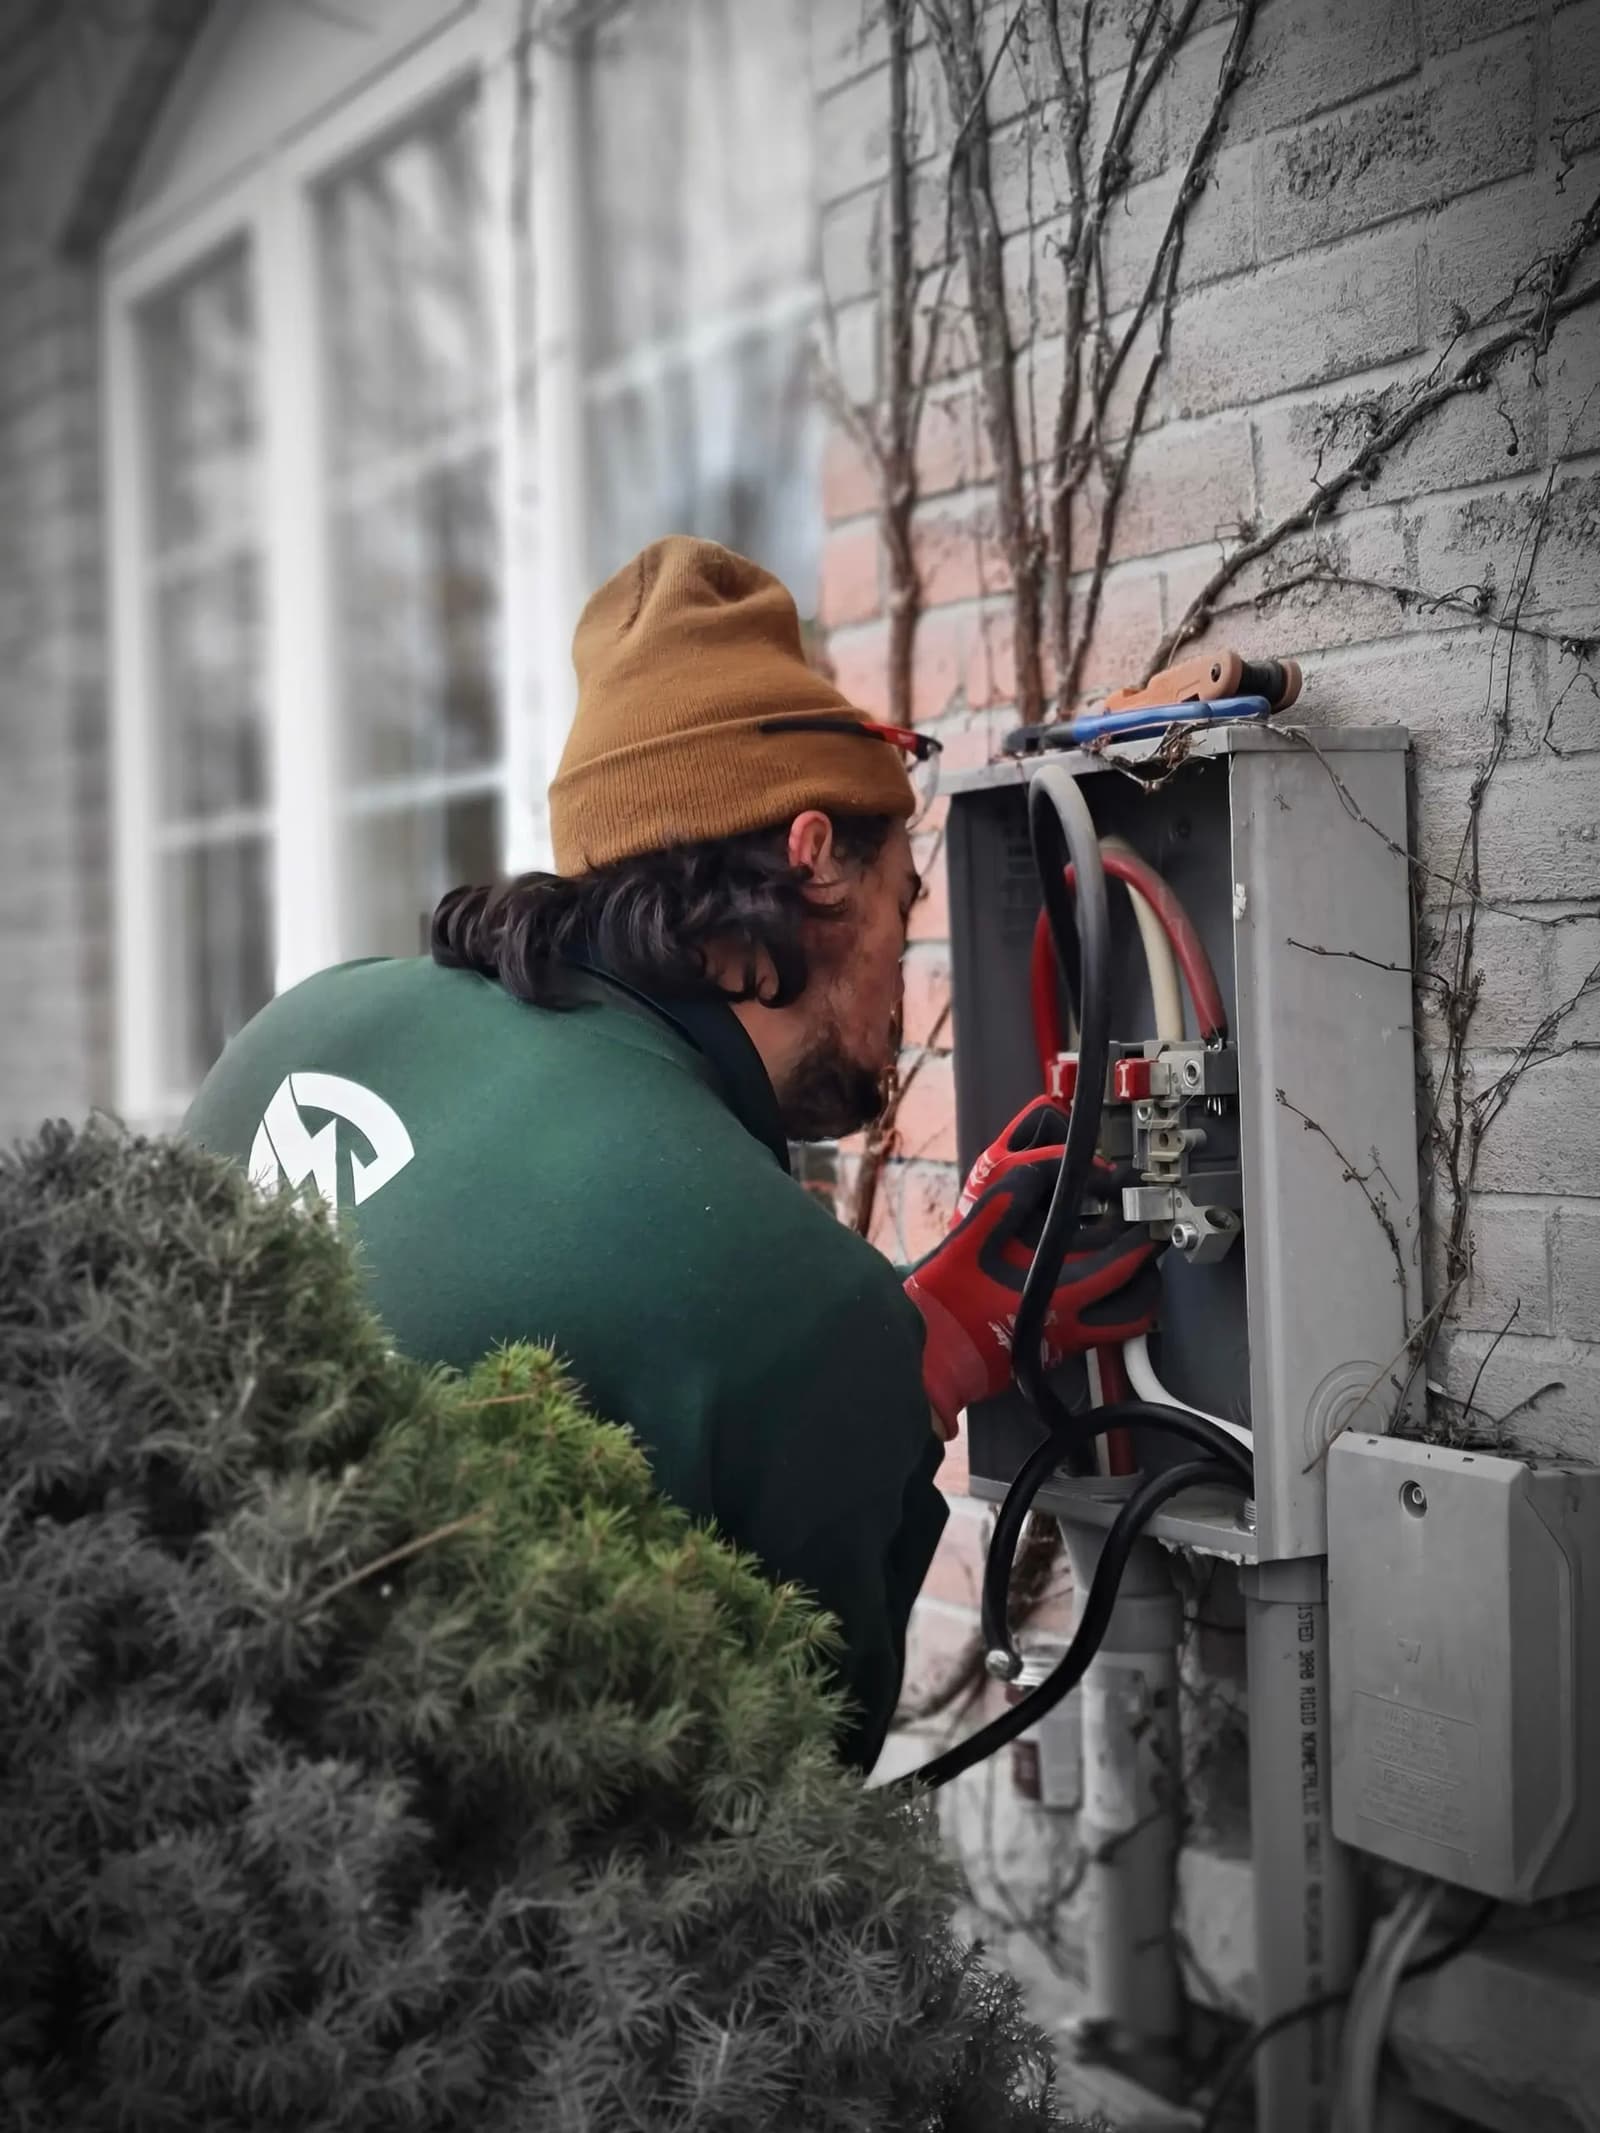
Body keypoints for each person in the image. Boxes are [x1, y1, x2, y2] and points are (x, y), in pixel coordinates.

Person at [185, 536, 1159, 1771]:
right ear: (814, 861)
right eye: (902, 904)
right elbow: (768, 1830)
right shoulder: (798, 1304)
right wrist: (878, 1377)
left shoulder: (306, 1027)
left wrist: (892, 1363)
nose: (896, 983)